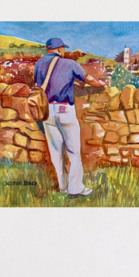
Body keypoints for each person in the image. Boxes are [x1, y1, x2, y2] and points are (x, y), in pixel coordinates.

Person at [34, 38, 105, 196]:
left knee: (56, 152)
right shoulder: (69, 64)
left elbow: (38, 86)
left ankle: (63, 187)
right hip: (64, 109)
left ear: (48, 50)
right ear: (59, 49)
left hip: (46, 111)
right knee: (73, 150)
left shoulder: (39, 64)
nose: (64, 51)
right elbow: (89, 79)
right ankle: (75, 188)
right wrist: (101, 85)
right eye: (63, 49)